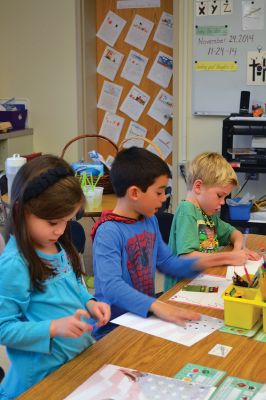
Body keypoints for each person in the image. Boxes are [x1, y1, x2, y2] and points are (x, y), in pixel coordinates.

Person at [91, 147, 248, 339]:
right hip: (113, 327)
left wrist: (218, 261)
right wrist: (157, 306)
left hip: (143, 319)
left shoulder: (148, 220)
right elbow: (111, 286)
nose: (164, 198)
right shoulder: (108, 231)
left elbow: (168, 263)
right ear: (134, 193)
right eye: (159, 192)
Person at [0, 155, 110, 399]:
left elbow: (73, 286)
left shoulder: (57, 245)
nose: (60, 230)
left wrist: (90, 303)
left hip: (73, 367)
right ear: (21, 211)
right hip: (39, 383)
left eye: (67, 221)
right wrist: (53, 327)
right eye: (52, 222)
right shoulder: (15, 263)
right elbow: (3, 328)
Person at [164, 151, 260, 291]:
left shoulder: (209, 215)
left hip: (202, 280)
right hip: (180, 290)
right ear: (198, 187)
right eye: (219, 195)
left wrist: (239, 248)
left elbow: (234, 233)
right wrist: (229, 257)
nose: (222, 202)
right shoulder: (186, 211)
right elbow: (187, 258)